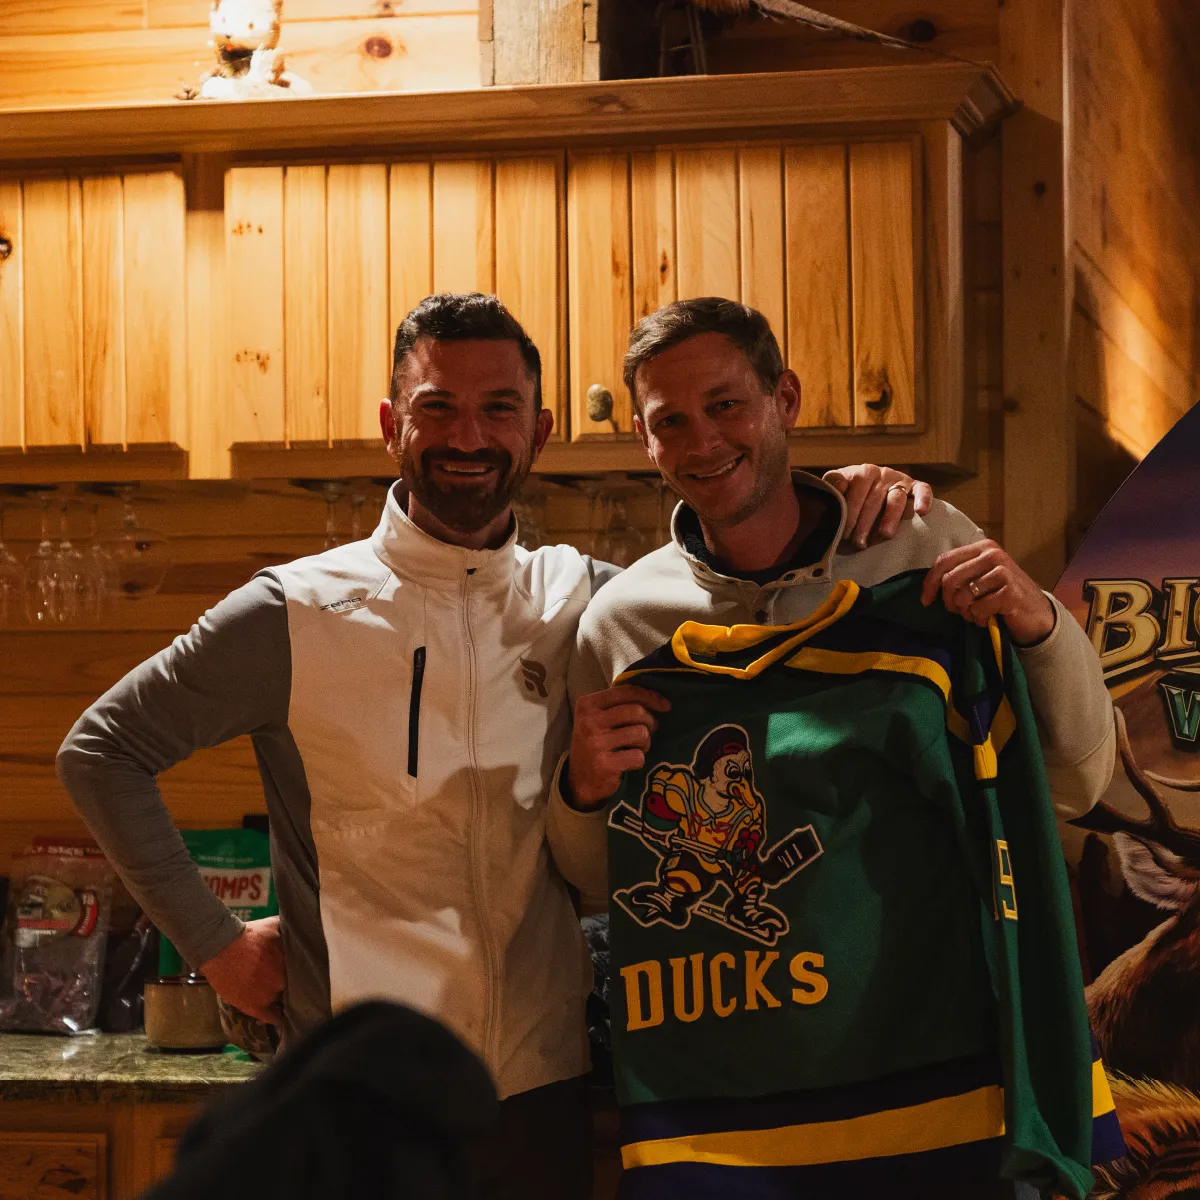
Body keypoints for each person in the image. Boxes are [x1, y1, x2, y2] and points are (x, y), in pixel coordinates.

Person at [56, 292, 925, 1200]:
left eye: (498, 409)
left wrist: (856, 491)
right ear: (393, 424)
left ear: (540, 431)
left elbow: (749, 590)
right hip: (355, 1104)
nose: (467, 436)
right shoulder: (293, 612)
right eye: (437, 408)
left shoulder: (594, 600)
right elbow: (100, 751)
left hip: (540, 1092)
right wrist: (217, 945)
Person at [546, 297, 1120, 1198]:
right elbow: (597, 877)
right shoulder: (623, 623)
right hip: (721, 1101)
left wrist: (1041, 624)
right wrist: (580, 790)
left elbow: (1076, 780)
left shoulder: (916, 548)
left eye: (726, 405)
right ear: (646, 442)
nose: (702, 440)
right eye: (671, 422)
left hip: (933, 1077)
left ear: (786, 398)